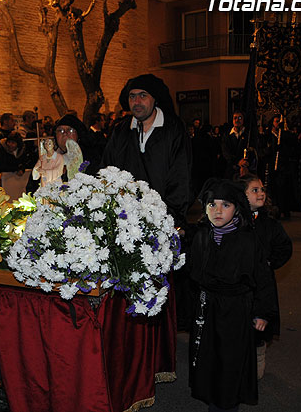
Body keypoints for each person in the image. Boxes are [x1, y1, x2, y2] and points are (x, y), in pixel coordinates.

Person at [101, 74, 191, 382]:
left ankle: (157, 360)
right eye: (132, 97)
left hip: (160, 225)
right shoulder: (119, 132)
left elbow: (181, 179)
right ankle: (130, 359)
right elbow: (107, 174)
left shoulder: (174, 131)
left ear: (154, 99)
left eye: (142, 96)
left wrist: (170, 222)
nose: (137, 102)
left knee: (155, 294)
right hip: (125, 226)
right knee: (125, 292)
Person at [189, 179, 278, 412]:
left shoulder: (248, 240)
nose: (217, 211)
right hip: (208, 309)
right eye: (211, 205)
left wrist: (262, 312)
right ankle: (214, 400)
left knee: (230, 363)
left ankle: (225, 406)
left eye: (225, 205)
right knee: (209, 361)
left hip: (236, 310)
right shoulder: (200, 236)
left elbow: (264, 278)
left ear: (236, 208)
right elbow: (192, 274)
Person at [239, 173, 292, 379]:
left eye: (262, 189)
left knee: (259, 330)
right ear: (242, 195)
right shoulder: (234, 221)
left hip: (262, 285)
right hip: (240, 285)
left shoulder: (269, 223)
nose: (261, 193)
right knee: (241, 327)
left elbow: (285, 247)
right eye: (255, 190)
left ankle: (258, 360)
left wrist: (270, 263)